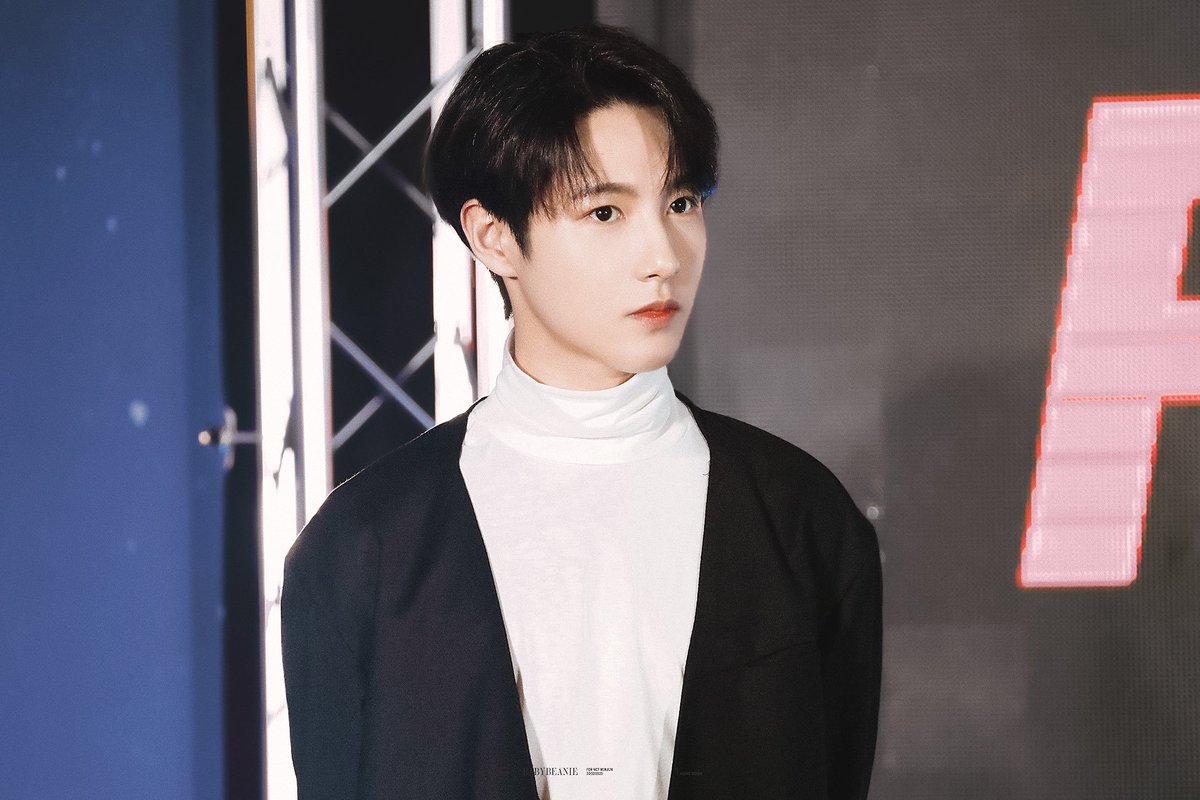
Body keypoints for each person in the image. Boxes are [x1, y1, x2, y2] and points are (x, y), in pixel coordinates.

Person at [282, 22, 881, 800]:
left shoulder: (802, 518)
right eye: (605, 213)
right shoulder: (365, 544)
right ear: (495, 237)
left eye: (681, 202)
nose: (663, 256)